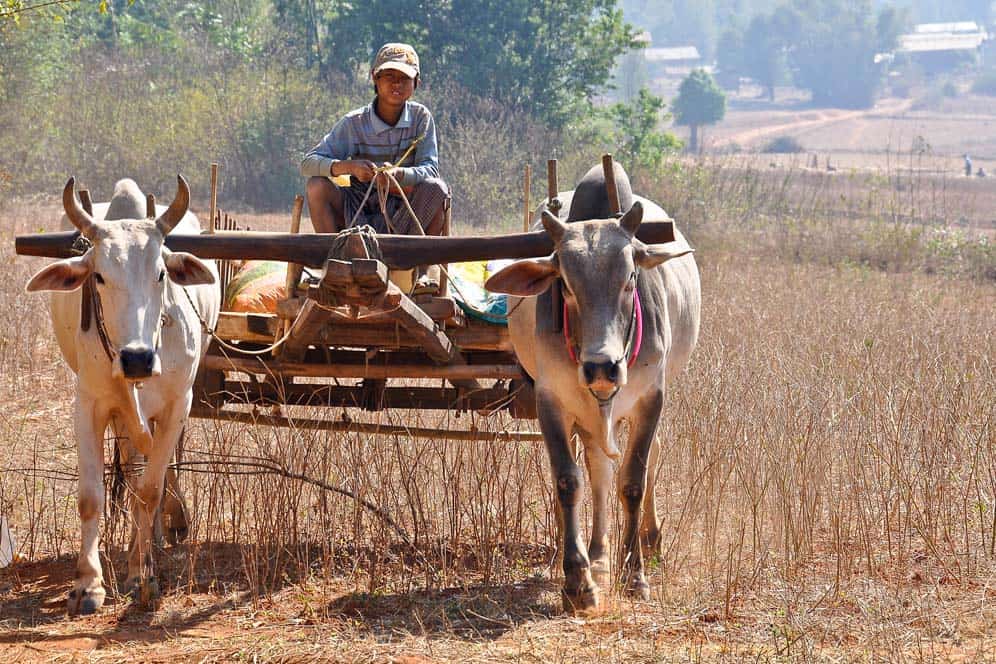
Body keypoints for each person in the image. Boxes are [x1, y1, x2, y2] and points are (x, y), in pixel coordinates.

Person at [301, 42, 448, 293]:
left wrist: (400, 176)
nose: (396, 84)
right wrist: (348, 167)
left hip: (404, 222)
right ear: (375, 79)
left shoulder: (421, 118)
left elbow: (430, 169)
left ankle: (425, 274)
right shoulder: (354, 123)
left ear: (416, 83)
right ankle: (331, 265)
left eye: (404, 78)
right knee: (316, 185)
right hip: (356, 217)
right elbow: (308, 163)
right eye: (389, 76)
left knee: (437, 188)